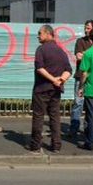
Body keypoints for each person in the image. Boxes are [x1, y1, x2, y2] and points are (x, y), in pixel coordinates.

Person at [29, 25, 72, 154]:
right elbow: (69, 70)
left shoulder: (41, 50)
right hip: (56, 89)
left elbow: (40, 68)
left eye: (40, 33)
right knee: (55, 117)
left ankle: (36, 145)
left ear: (48, 34)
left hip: (41, 88)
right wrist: (61, 80)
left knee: (38, 117)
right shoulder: (61, 51)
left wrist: (53, 79)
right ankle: (56, 145)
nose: (38, 36)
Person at [70, 19, 93, 138]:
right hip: (80, 76)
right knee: (78, 103)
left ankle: (88, 129)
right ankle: (74, 128)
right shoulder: (80, 41)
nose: (85, 30)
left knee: (91, 105)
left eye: (88, 28)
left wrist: (86, 54)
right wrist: (92, 54)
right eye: (85, 27)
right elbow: (78, 57)